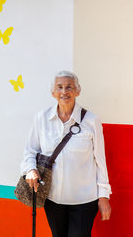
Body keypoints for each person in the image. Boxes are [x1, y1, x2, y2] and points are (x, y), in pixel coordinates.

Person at [20, 70, 111, 237]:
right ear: (53, 92)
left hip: (84, 200)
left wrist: (104, 195)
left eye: (69, 87)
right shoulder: (41, 118)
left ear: (77, 91)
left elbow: (100, 160)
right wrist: (30, 170)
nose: (64, 91)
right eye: (59, 87)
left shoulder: (91, 120)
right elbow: (30, 151)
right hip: (53, 199)